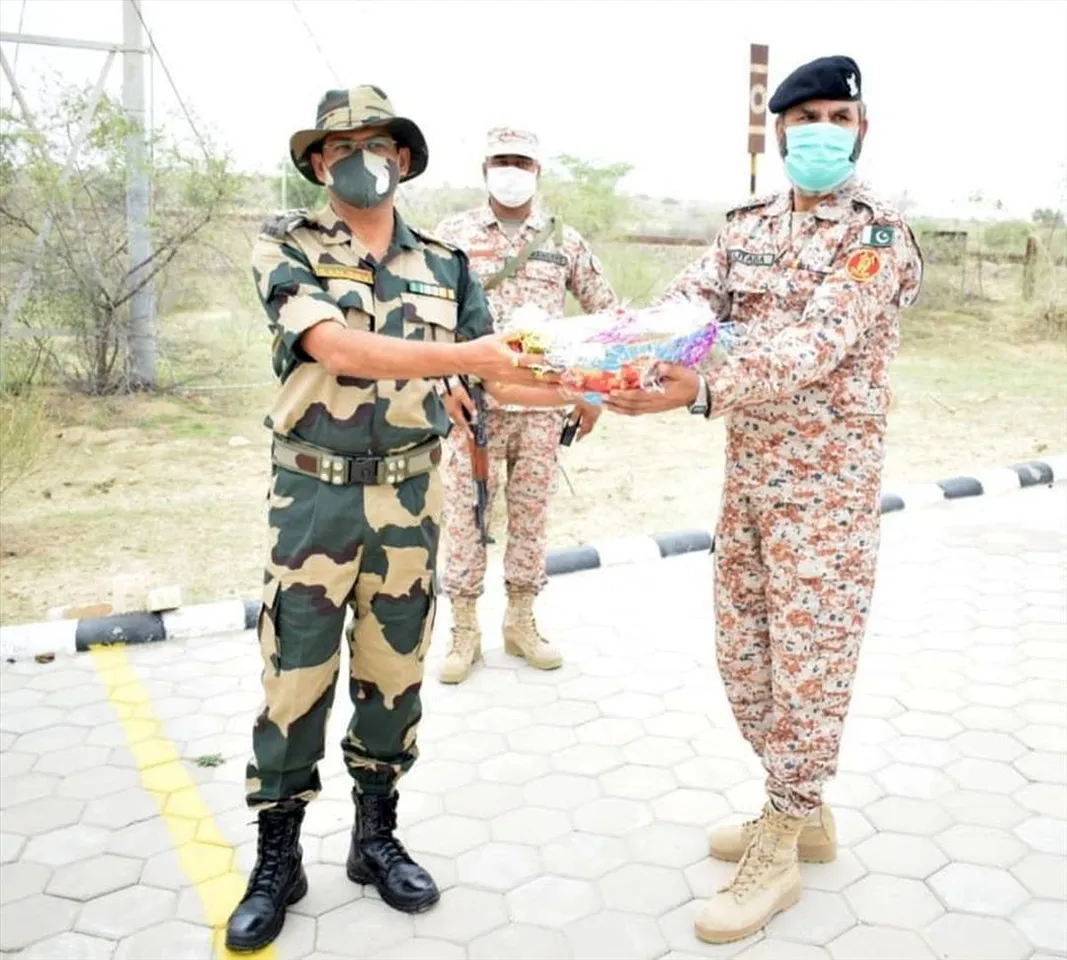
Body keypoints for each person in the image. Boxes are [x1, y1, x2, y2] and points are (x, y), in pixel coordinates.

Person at [225, 86, 564, 953]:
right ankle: (277, 856)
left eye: (375, 142)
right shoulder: (286, 243)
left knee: (393, 672)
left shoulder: (447, 264)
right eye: (338, 145)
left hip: (412, 497)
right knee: (295, 674)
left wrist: (597, 387)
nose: (358, 157)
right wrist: (469, 357)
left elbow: (495, 374)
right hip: (313, 497)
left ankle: (374, 840)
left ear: (404, 159)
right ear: (315, 163)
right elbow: (337, 348)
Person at [605, 56, 924, 944]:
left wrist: (696, 390)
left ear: (860, 130)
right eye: (806, 115)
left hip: (826, 492)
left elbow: (813, 345)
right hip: (748, 479)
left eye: (838, 114)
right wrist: (610, 349)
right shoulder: (745, 226)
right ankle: (801, 814)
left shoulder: (877, 237)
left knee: (809, 663)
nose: (822, 128)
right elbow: (687, 301)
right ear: (778, 130)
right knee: (745, 654)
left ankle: (783, 836)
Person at [431, 127, 619, 684]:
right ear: (485, 167)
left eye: (521, 161)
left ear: (537, 171)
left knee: (532, 519)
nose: (510, 170)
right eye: (501, 160)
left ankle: (520, 621)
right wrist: (445, 380)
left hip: (542, 406)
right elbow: (431, 316)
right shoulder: (453, 235)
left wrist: (594, 390)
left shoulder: (564, 241)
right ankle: (464, 631)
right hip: (473, 408)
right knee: (464, 519)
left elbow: (604, 316)